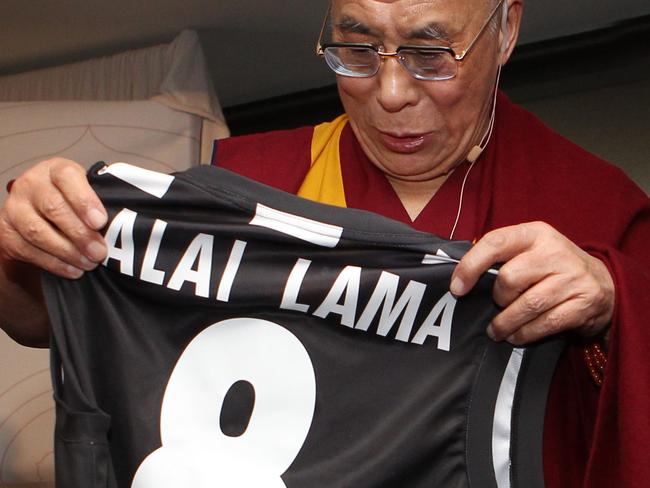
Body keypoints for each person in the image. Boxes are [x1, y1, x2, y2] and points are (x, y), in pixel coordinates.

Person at [0, 0, 648, 486]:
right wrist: (28, 243)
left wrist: (612, 307)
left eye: (430, 54)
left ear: (505, 29)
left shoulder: (596, 208)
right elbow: (53, 325)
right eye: (357, 49)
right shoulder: (247, 184)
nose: (391, 95)